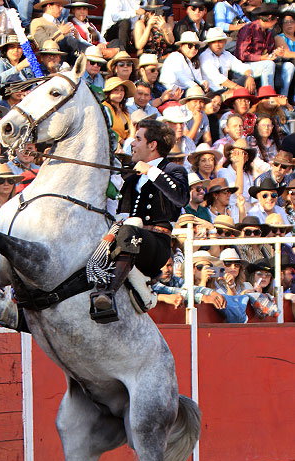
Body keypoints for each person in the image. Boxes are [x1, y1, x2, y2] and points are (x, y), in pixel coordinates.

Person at [91, 119, 190, 320]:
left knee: (128, 231)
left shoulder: (173, 170)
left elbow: (180, 197)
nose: (132, 144)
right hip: (131, 240)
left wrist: (151, 171)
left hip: (157, 245)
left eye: (137, 139)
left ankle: (107, 294)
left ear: (152, 145)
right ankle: (140, 287)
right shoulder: (132, 176)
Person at [235, 4, 293, 97]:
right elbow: (241, 54)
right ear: (270, 18)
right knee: (268, 64)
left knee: (289, 66)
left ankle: (283, 99)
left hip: (262, 64)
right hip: (244, 66)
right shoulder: (248, 29)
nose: (276, 22)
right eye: (276, 19)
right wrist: (261, 58)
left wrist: (276, 54)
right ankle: (269, 97)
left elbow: (269, 54)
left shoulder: (269, 34)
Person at [199, 27, 256, 94]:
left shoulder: (226, 54)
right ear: (209, 44)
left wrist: (250, 77)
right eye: (213, 42)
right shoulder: (205, 56)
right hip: (212, 92)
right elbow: (218, 78)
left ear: (225, 42)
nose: (217, 45)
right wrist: (238, 88)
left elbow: (240, 66)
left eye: (220, 41)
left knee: (250, 82)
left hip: (227, 88)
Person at [102, 77, 135, 148]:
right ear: (109, 92)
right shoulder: (104, 108)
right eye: (116, 90)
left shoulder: (124, 110)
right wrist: (122, 141)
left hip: (126, 145)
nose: (120, 93)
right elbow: (106, 129)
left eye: (122, 90)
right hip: (111, 146)